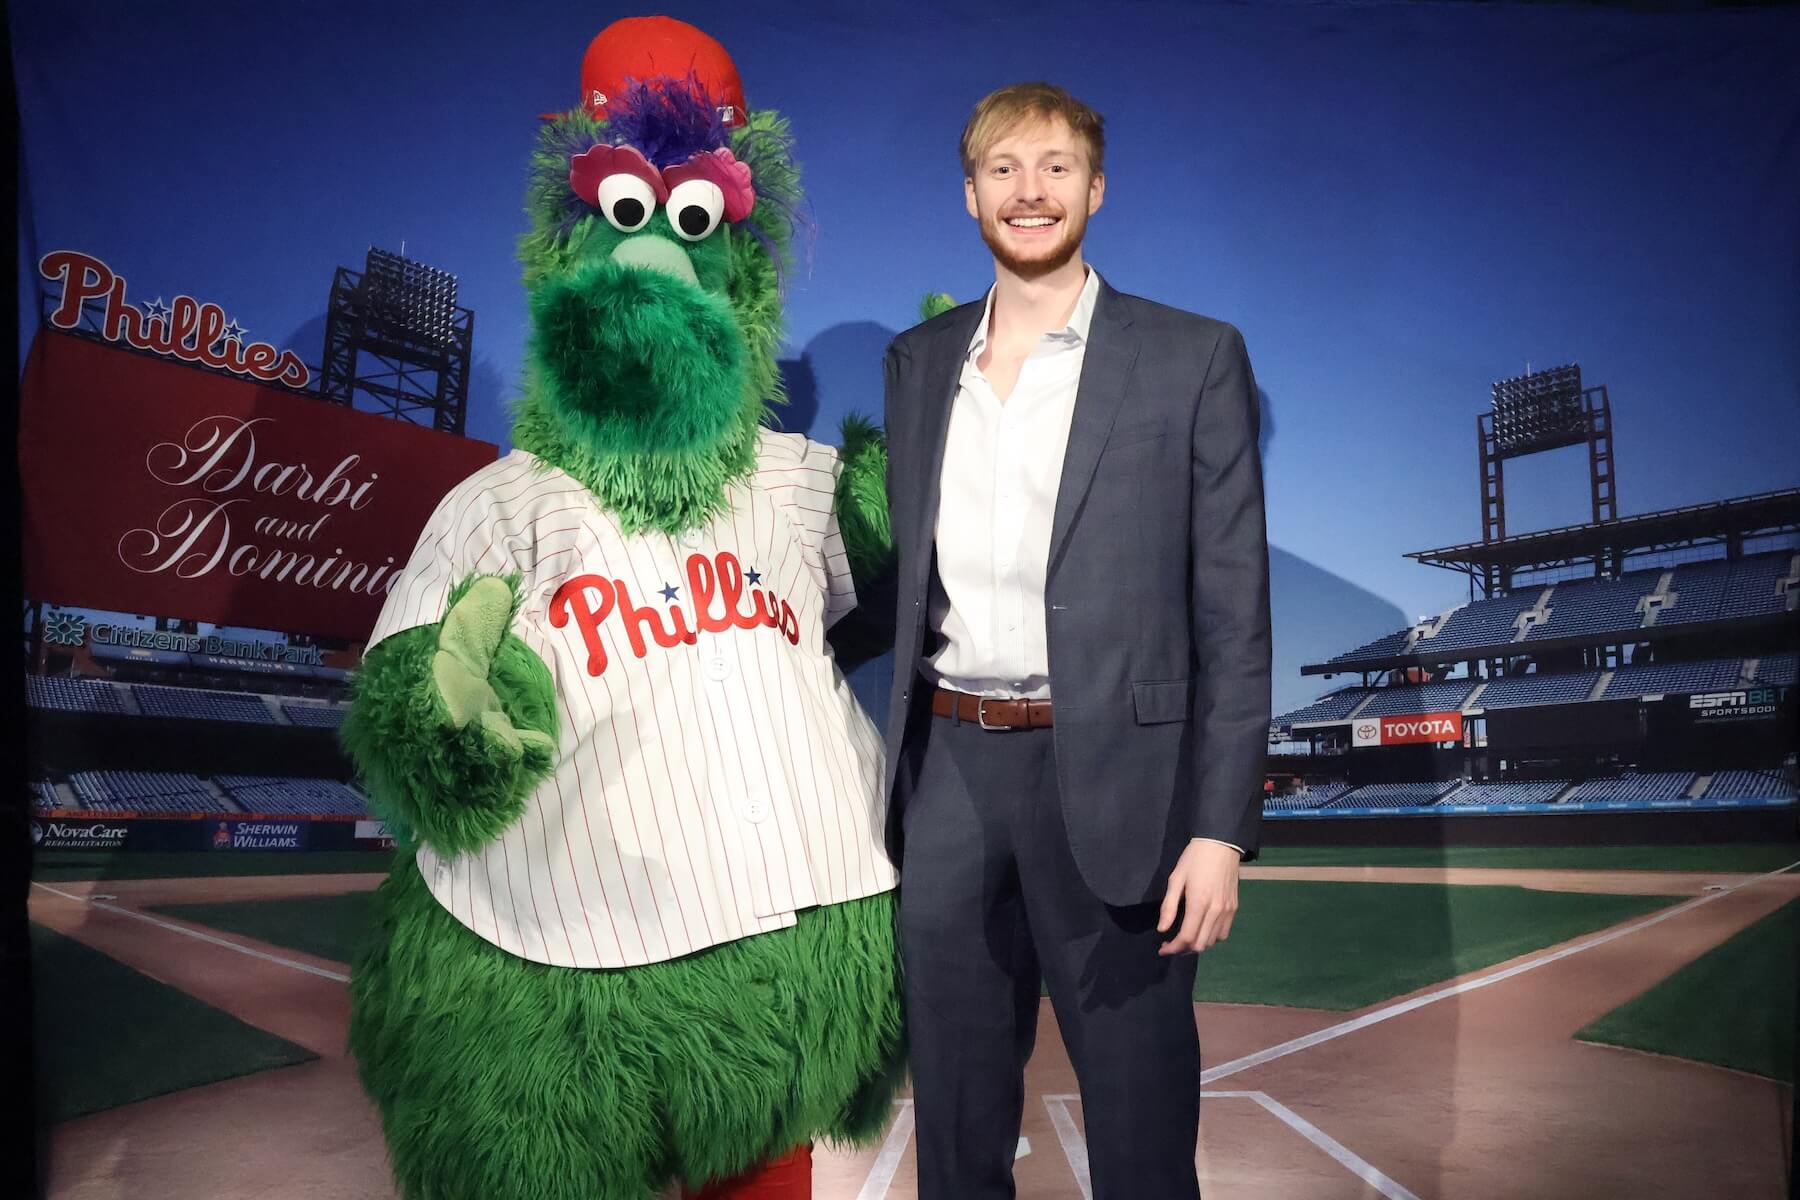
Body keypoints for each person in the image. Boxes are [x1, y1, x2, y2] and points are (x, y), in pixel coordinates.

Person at [875, 81, 1273, 1199]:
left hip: (1121, 782)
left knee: (1140, 1127)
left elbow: (1234, 610)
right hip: (948, 772)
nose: (1030, 190)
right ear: (970, 196)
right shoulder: (918, 363)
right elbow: (906, 581)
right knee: (954, 1119)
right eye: (1003, 169)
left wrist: (1219, 829)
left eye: (1055, 166)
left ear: (1095, 188)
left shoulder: (1193, 356)